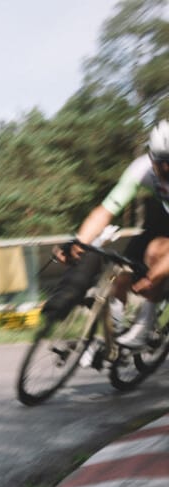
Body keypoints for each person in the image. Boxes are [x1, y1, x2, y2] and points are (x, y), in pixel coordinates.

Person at [55, 120, 169, 349]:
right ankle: (115, 329)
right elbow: (105, 211)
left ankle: (144, 326)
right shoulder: (141, 169)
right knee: (123, 267)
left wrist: (151, 279)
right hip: (163, 215)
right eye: (162, 164)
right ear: (151, 158)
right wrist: (80, 242)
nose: (167, 170)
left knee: (157, 257)